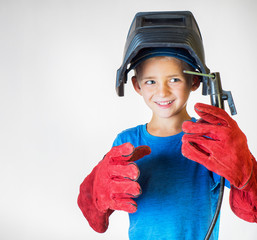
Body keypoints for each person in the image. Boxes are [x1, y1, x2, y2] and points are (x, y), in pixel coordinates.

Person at [77, 11, 257, 239]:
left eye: (174, 79)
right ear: (136, 85)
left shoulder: (212, 141)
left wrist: (248, 172)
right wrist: (96, 190)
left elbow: (253, 208)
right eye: (150, 81)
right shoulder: (127, 142)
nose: (162, 91)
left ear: (194, 80)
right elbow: (94, 214)